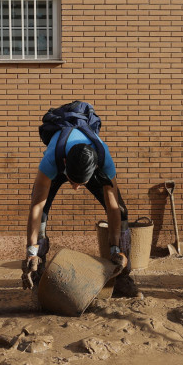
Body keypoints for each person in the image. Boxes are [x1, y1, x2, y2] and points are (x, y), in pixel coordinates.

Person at [22, 103, 141, 300]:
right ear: (66, 165)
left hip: (87, 165)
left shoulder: (104, 162)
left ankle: (122, 277)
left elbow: (113, 209)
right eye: (73, 182)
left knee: (122, 211)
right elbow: (36, 206)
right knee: (41, 216)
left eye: (81, 184)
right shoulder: (51, 161)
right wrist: (30, 251)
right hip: (61, 164)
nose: (76, 188)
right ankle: (37, 273)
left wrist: (116, 249)